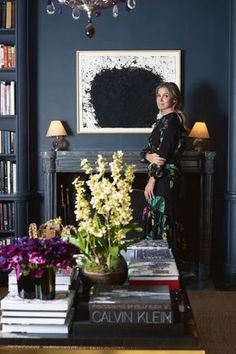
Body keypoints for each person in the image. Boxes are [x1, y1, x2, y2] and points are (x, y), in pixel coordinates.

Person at [140, 82, 187, 256]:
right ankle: (155, 264)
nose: (161, 99)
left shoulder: (173, 121)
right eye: (158, 95)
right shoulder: (161, 122)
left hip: (165, 178)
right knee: (157, 217)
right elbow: (147, 151)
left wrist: (151, 181)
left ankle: (166, 266)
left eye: (165, 95)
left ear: (174, 99)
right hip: (160, 176)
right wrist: (148, 156)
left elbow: (163, 156)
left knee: (164, 217)